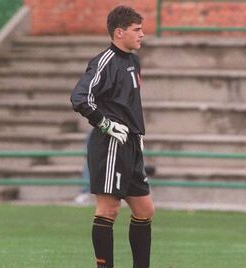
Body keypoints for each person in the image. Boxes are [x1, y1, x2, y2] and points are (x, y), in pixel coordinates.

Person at [70, 5, 154, 268]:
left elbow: (130, 102)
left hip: (130, 143)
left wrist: (137, 132)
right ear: (119, 32)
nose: (142, 34)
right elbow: (79, 98)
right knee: (109, 210)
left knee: (144, 210)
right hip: (110, 145)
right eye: (136, 29)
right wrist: (105, 124)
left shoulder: (133, 60)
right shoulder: (104, 61)